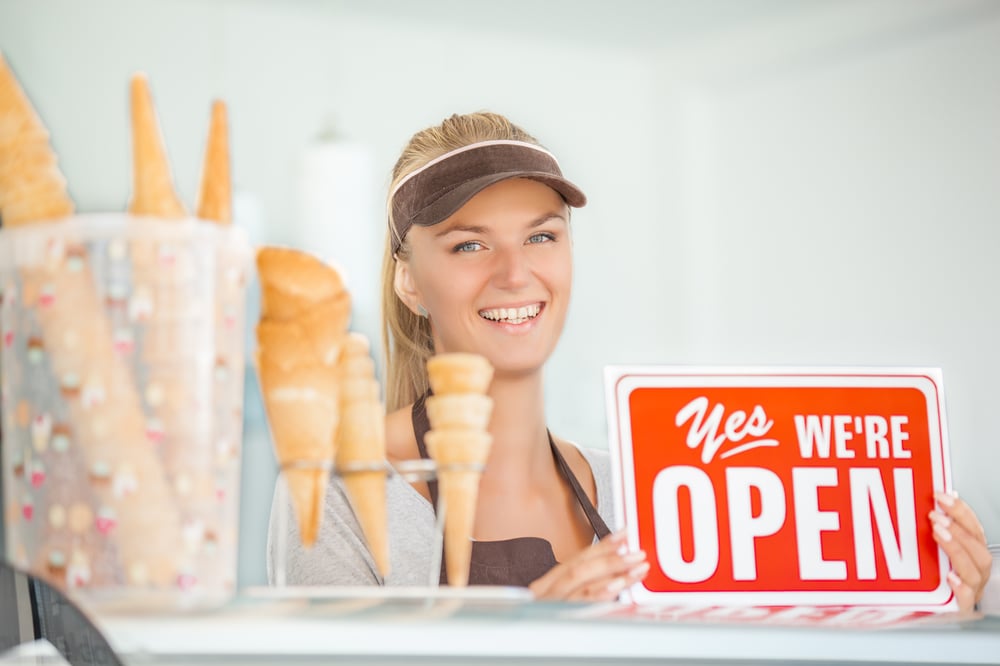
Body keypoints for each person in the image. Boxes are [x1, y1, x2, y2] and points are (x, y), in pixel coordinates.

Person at [268, 111, 992, 607]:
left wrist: (928, 611)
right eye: (468, 243)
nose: (516, 273)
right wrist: (519, 643)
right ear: (407, 280)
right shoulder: (341, 490)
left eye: (543, 236)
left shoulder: (642, 485)